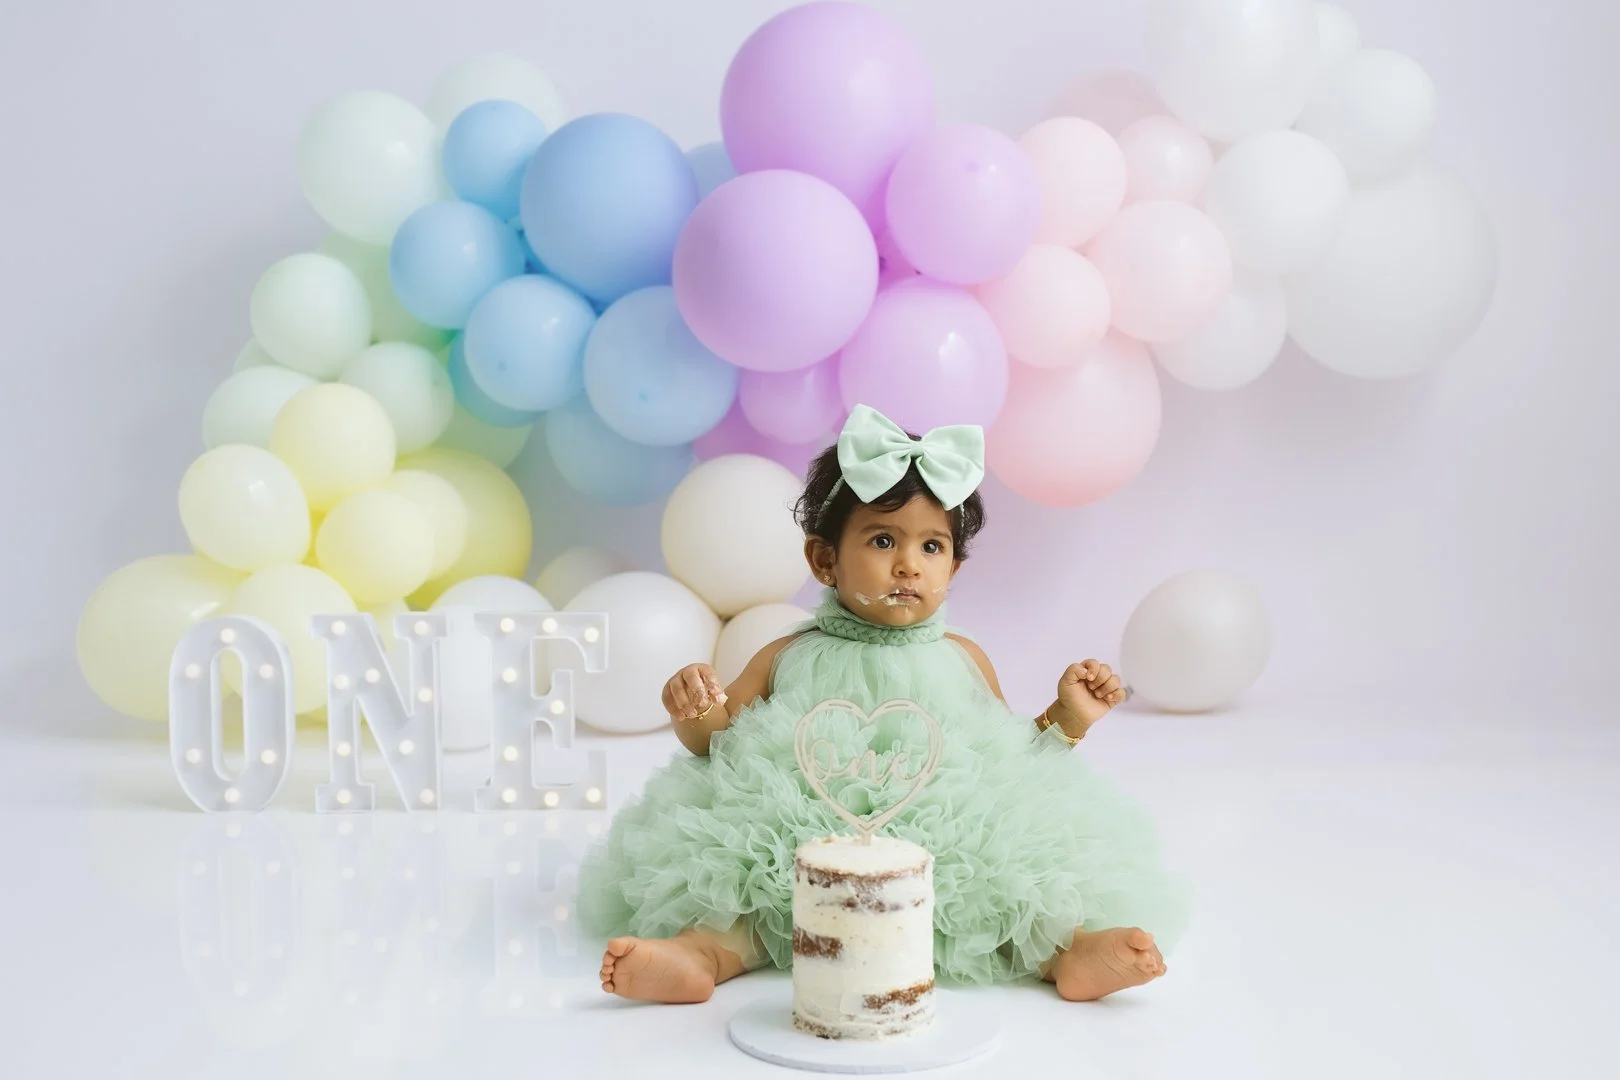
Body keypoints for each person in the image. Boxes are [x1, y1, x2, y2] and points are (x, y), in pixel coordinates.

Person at [577, 404, 1187, 1004]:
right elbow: (720, 743)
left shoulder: (963, 657)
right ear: (825, 560)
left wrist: (1069, 717)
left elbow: (1015, 765)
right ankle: (700, 953)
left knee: (1005, 874)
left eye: (931, 547)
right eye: (883, 539)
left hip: (942, 834)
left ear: (954, 564)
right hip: (805, 821)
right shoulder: (787, 653)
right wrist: (695, 708)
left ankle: (1066, 951)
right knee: (752, 876)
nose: (907, 565)